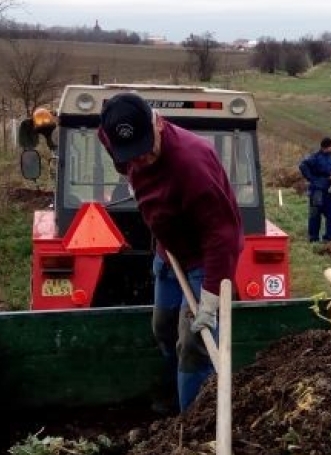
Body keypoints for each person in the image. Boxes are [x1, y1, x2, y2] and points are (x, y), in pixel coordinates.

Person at [97, 92, 243, 413]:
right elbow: (110, 141)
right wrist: (131, 173)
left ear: (158, 124)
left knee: (194, 343)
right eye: (132, 156)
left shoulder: (192, 163)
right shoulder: (116, 138)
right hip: (169, 251)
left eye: (147, 150)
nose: (142, 160)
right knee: (162, 328)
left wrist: (210, 297)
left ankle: (193, 418)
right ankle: (174, 386)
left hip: (204, 258)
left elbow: (223, 234)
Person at [298, 137, 331, 243]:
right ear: (327, 147)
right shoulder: (315, 157)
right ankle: (313, 238)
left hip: (327, 190)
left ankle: (329, 237)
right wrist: (311, 178)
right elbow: (302, 165)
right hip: (316, 190)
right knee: (315, 214)